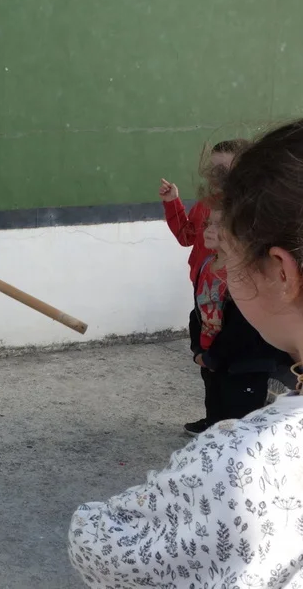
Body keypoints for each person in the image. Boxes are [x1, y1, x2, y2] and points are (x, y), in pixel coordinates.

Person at [70, 121, 303, 587]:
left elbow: (97, 545)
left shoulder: (239, 459)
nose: (222, 264)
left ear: (280, 271)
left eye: (231, 253)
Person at [184, 209, 280, 436]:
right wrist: (199, 350)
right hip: (212, 359)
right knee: (215, 410)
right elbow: (199, 311)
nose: (209, 230)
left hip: (244, 365)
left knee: (239, 425)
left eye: (219, 225)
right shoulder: (207, 265)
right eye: (208, 223)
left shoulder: (249, 274)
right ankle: (213, 430)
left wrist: (213, 357)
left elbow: (242, 327)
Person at [159, 139, 250, 283]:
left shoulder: (251, 209)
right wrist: (172, 202)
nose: (215, 174)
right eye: (213, 168)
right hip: (202, 285)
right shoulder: (205, 204)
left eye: (223, 169)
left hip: (236, 287)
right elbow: (186, 237)